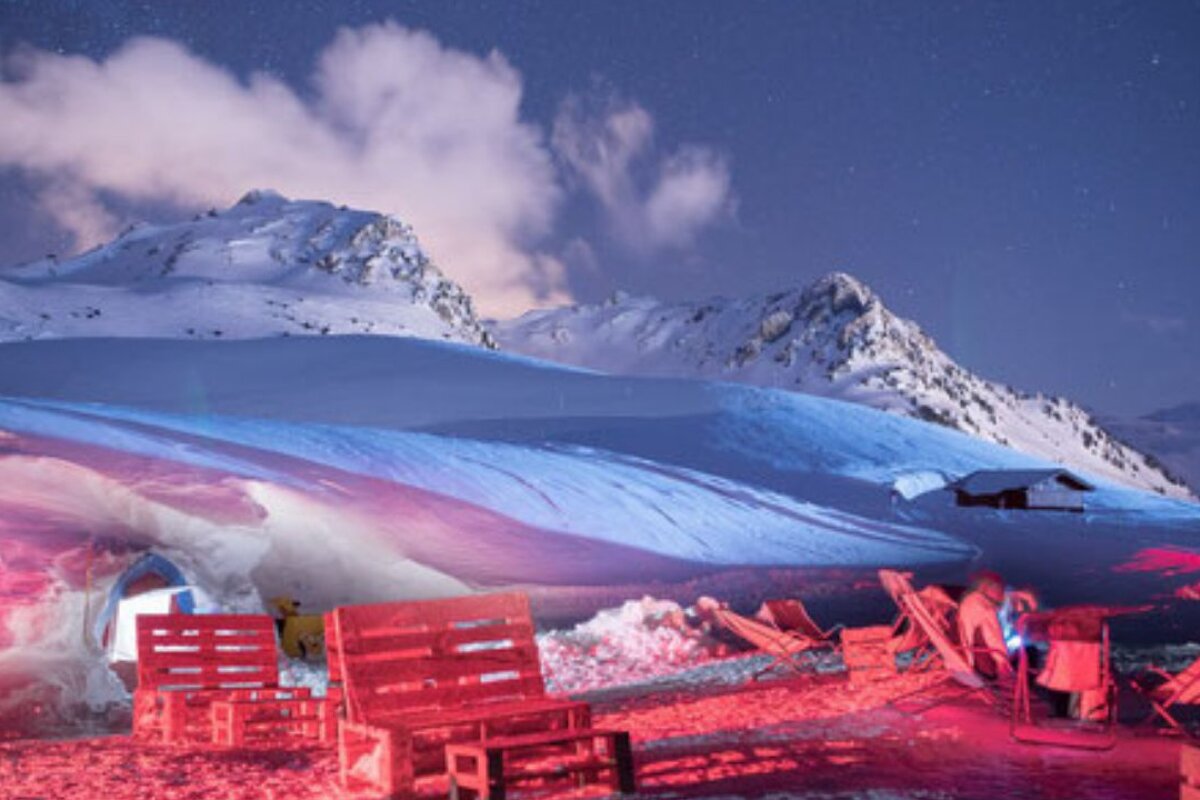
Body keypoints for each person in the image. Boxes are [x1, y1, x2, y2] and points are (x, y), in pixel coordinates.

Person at [956, 570, 1013, 680]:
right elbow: (992, 636)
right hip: (981, 665)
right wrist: (1002, 663)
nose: (1001, 594)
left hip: (965, 662)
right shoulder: (983, 607)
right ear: (985, 587)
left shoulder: (968, 602)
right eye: (999, 588)